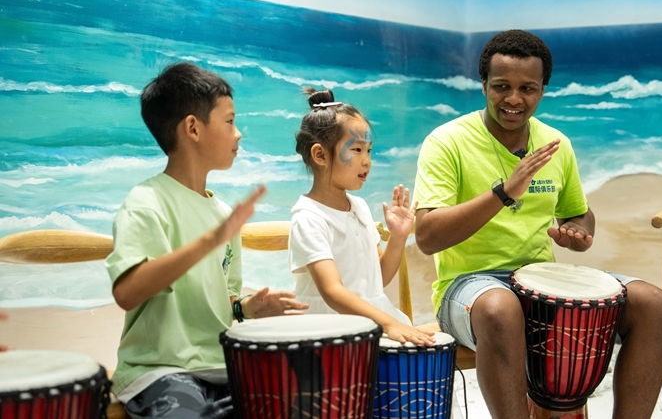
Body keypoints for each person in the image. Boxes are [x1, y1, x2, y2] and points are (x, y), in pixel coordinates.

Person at [413, 29, 662, 419]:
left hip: (541, 282)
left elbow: (578, 212)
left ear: (542, 90)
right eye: (501, 86)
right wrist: (504, 192)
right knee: (501, 309)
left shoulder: (556, 143)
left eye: (527, 88)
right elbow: (428, 236)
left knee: (654, 304)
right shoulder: (446, 141)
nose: (513, 99)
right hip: (468, 289)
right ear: (483, 85)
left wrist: (578, 231)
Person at [106, 63, 308, 419]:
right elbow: (127, 292)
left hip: (222, 364)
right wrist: (211, 241)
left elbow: (223, 301)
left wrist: (247, 308)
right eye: (229, 121)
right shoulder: (146, 202)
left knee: (299, 395)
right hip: (161, 370)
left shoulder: (222, 213)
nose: (239, 134)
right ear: (193, 128)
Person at [288, 88, 434, 346]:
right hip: (330, 334)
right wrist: (389, 324)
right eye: (356, 149)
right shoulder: (308, 217)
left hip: (368, 324)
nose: (367, 161)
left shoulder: (359, 207)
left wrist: (398, 237)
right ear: (320, 155)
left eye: (369, 151)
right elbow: (332, 292)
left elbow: (378, 278)